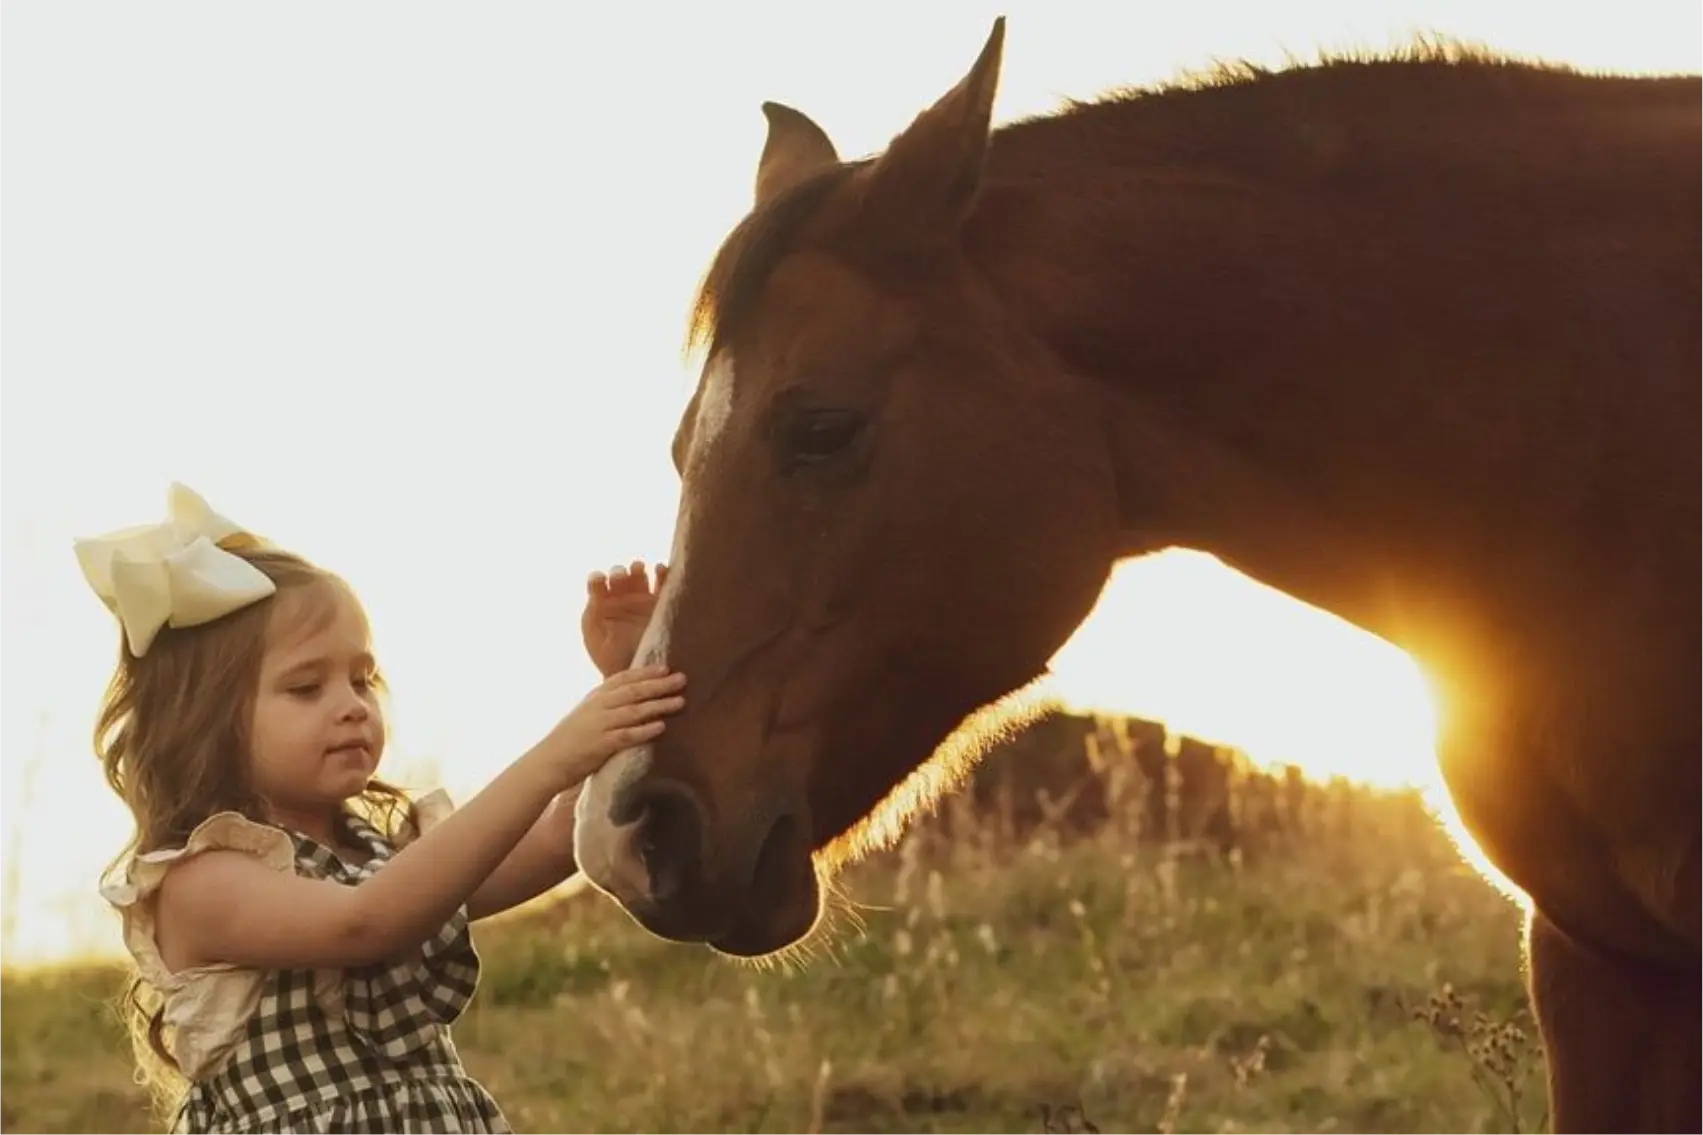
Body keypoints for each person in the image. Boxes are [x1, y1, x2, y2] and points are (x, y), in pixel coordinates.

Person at [78, 483, 683, 1134]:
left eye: (362, 678)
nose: (351, 704)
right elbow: (366, 923)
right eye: (307, 686)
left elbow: (559, 833)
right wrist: (557, 752)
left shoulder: (380, 855)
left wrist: (624, 687)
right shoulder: (200, 881)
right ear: (204, 718)